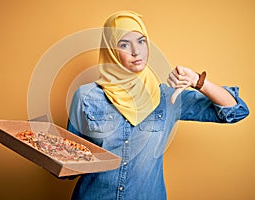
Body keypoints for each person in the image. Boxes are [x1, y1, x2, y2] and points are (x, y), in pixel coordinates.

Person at [67, 10, 249, 200]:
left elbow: (236, 111)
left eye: (141, 41)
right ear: (110, 51)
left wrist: (197, 80)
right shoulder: (86, 96)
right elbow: (71, 163)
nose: (136, 51)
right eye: (124, 44)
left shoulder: (167, 98)